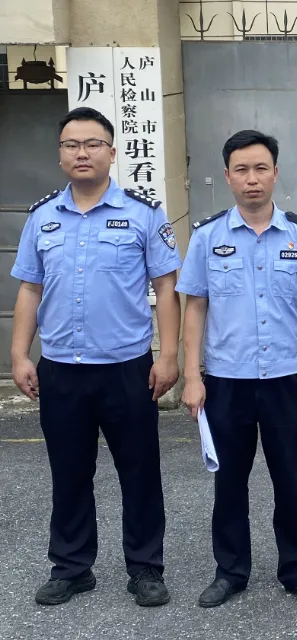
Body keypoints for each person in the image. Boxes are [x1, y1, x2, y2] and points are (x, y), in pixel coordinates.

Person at [11, 107, 182, 607]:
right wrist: (19, 354)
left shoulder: (144, 214)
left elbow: (166, 288)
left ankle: (145, 568)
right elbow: (29, 289)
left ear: (112, 152)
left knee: (140, 472)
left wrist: (168, 355)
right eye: (71, 144)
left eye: (91, 144)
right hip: (61, 369)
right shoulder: (42, 217)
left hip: (127, 369)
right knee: (68, 473)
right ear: (60, 154)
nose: (81, 153)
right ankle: (71, 567)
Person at [177, 130, 297, 608]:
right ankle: (230, 571)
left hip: (287, 378)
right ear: (227, 176)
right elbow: (194, 307)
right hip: (227, 381)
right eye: (241, 170)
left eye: (261, 168)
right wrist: (192, 376)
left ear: (275, 173)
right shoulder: (207, 237)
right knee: (229, 483)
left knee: (293, 480)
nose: (252, 179)